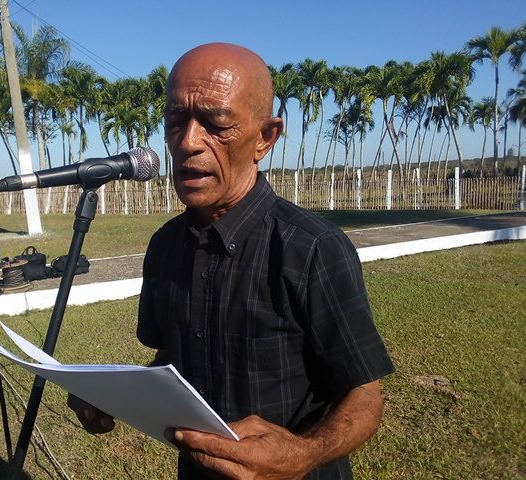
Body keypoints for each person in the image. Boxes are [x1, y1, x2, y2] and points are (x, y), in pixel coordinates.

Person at [68, 43, 394, 479]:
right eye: (175, 121)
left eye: (216, 124)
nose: (188, 143)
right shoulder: (165, 246)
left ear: (265, 138)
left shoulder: (312, 248)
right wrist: (116, 392)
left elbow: (365, 392)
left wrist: (303, 453)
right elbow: (171, 357)